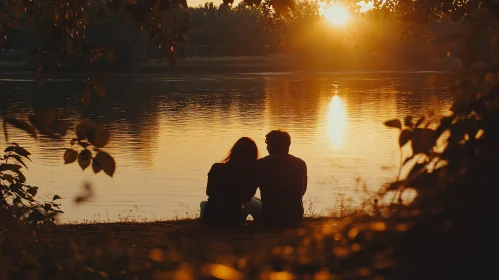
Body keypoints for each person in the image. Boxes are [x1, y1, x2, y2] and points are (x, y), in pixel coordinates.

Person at [200, 137, 262, 225]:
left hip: (210, 218)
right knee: (251, 201)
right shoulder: (249, 173)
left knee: (203, 203)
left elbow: (209, 192)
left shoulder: (216, 167)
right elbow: (246, 198)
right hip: (232, 220)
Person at [256, 130, 308, 227]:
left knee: (250, 199)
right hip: (295, 217)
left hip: (271, 217)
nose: (267, 148)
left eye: (268, 145)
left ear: (271, 146)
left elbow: (249, 191)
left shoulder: (261, 163)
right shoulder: (300, 163)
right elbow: (302, 191)